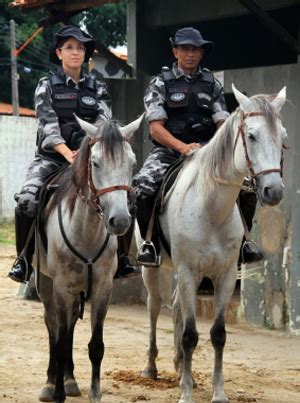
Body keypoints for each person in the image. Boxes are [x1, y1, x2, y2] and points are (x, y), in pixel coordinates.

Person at [8, 25, 139, 283]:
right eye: (69, 47)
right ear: (59, 53)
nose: (75, 52)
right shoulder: (46, 85)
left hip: (92, 156)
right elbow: (47, 124)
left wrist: (87, 151)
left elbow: (105, 125)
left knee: (128, 197)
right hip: (53, 158)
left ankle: (123, 258)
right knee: (26, 201)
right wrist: (67, 152)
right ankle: (23, 259)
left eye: (80, 48)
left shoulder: (97, 87)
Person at [133, 27, 263, 266]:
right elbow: (155, 128)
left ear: (202, 54)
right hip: (169, 152)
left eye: (196, 49)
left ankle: (245, 242)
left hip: (207, 152)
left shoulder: (211, 84)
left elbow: (223, 124)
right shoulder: (160, 83)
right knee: (143, 185)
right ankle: (149, 243)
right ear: (175, 51)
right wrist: (183, 148)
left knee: (247, 186)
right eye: (185, 49)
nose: (190, 54)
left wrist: (210, 149)